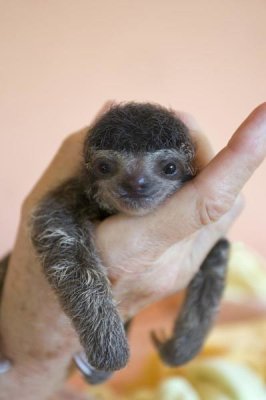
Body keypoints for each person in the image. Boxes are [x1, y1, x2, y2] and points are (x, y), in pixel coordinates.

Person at [0, 102, 265, 400]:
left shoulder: (194, 203)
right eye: (107, 167)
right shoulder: (73, 195)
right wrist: (106, 344)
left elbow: (215, 254)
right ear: (89, 169)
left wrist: (191, 335)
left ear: (188, 172)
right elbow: (59, 238)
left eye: (167, 168)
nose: (137, 181)